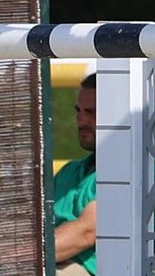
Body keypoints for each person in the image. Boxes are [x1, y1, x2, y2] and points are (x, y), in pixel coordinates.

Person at [53, 73, 97, 276]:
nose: (81, 120)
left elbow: (86, 234)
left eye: (92, 112)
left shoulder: (133, 172)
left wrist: (14, 256)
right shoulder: (68, 172)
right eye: (78, 111)